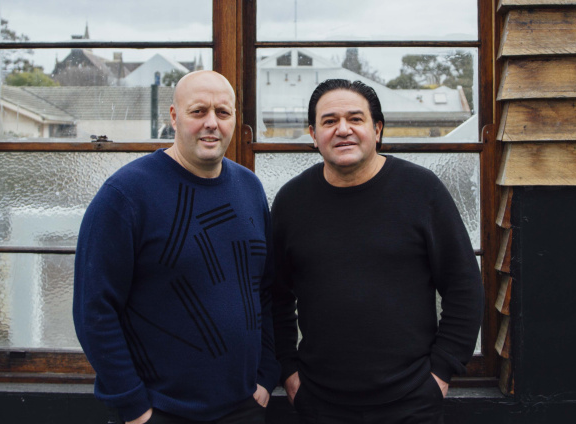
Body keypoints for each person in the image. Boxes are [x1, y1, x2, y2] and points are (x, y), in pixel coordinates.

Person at [271, 79, 484, 424]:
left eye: (355, 119)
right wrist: (288, 371)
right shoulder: (291, 202)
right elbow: (276, 297)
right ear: (313, 134)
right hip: (319, 403)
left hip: (411, 403)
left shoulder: (421, 191)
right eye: (329, 121)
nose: (343, 129)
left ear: (377, 129)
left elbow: (464, 286)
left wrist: (441, 371)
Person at [74, 70, 279, 424]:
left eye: (223, 112)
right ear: (173, 116)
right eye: (198, 111)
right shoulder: (126, 195)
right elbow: (94, 309)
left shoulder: (249, 188)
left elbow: (264, 290)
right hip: (162, 410)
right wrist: (134, 407)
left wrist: (266, 373)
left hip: (244, 406)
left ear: (235, 119)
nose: (211, 123)